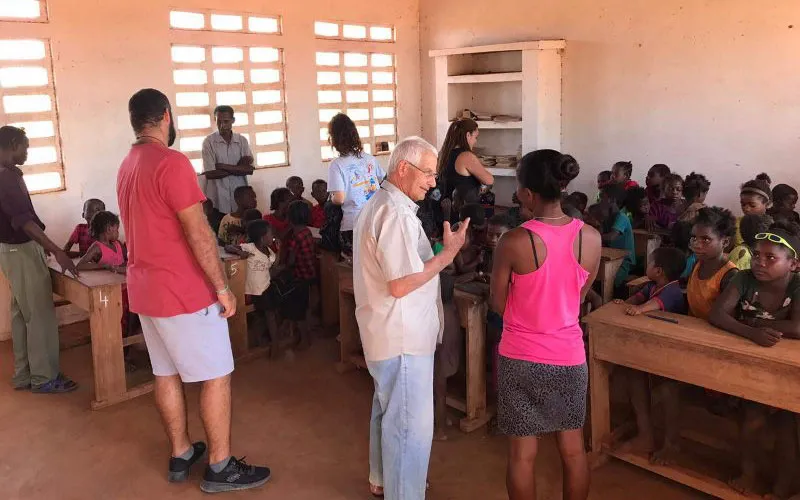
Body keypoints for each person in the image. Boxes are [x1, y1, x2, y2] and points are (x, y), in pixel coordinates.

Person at [117, 89, 270, 492]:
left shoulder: (127, 164)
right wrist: (222, 286)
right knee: (216, 375)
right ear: (166, 116)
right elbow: (198, 231)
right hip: (182, 292)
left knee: (165, 372)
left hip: (145, 291)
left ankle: (182, 451)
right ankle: (220, 466)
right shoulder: (172, 162)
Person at [353, 136, 468, 499]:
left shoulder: (383, 204)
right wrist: (447, 256)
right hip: (402, 336)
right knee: (408, 426)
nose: (433, 182)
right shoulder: (396, 214)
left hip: (387, 331)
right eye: (428, 173)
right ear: (403, 168)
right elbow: (401, 285)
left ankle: (382, 478)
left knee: (389, 409)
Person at [491, 149, 601, 500]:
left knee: (522, 455)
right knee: (572, 452)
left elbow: (497, 303)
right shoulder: (592, 238)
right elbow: (580, 294)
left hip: (520, 357)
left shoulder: (514, 241)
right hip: (568, 357)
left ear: (527, 194)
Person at [710, 220, 800, 498]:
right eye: (757, 254)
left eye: (771, 257)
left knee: (787, 425)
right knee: (752, 419)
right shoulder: (743, 277)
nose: (760, 262)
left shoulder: (797, 285)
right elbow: (717, 314)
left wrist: (749, 323)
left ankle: (785, 483)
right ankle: (748, 472)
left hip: (786, 371)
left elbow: (798, 327)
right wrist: (751, 332)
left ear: (793, 265)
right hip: (749, 362)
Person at [0, 125, 79, 393]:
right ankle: (45, 378)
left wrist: (40, 244)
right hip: (19, 250)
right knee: (40, 315)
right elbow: (23, 222)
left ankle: (25, 374)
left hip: (11, 251)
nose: (27, 152)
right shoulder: (5, 177)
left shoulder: (8, 173)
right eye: (25, 146)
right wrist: (56, 249)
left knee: (22, 313)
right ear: (12, 144)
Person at [613, 247, 687, 454]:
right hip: (651, 344)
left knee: (666, 388)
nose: (647, 265)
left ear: (659, 270)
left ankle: (669, 441)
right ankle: (641, 427)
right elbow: (639, 297)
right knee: (633, 374)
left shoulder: (671, 290)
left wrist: (639, 309)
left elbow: (654, 304)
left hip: (670, 350)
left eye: (650, 262)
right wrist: (625, 303)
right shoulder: (652, 285)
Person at [327, 113, 385, 256]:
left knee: (357, 269)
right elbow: (384, 181)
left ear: (334, 139)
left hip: (354, 225)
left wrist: (331, 198)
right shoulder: (369, 159)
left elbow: (339, 198)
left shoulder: (336, 165)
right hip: (377, 221)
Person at [225, 220, 279, 343]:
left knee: (270, 309)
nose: (273, 236)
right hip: (254, 291)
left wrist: (279, 251)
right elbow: (228, 247)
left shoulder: (270, 252)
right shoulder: (250, 248)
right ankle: (275, 342)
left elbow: (274, 265)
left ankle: (269, 337)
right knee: (268, 314)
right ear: (262, 237)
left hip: (265, 287)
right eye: (270, 234)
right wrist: (239, 252)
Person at [436, 118, 494, 222]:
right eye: (475, 137)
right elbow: (489, 180)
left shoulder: (442, 154)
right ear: (468, 135)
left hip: (444, 212)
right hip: (463, 215)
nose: (475, 141)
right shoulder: (466, 156)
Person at [201, 105, 254, 214]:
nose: (222, 125)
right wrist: (238, 169)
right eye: (219, 121)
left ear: (233, 120)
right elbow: (210, 174)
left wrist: (222, 166)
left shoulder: (242, 140)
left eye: (226, 121)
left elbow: (249, 170)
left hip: (240, 201)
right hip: (217, 199)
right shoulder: (209, 142)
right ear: (215, 120)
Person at [586, 200, 635, 290]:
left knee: (608, 280)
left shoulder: (621, 218)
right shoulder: (605, 222)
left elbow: (610, 237)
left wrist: (592, 235)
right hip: (608, 259)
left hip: (623, 261)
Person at [735, 175, 773, 246]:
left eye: (752, 205)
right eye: (743, 204)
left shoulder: (773, 228)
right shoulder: (735, 224)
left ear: (767, 204)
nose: (746, 209)